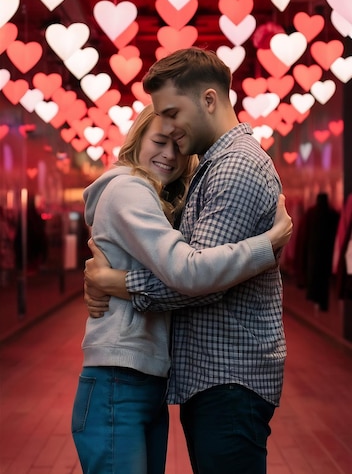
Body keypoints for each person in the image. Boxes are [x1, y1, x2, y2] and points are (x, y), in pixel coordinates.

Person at [85, 47, 289, 474]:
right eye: (160, 128)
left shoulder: (234, 167)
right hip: (212, 380)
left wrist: (116, 282)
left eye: (174, 114)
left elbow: (193, 277)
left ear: (209, 100)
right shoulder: (203, 170)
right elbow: (187, 267)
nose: (172, 132)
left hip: (229, 379)